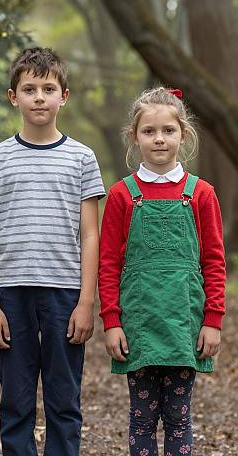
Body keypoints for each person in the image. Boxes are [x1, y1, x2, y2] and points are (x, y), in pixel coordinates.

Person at [0, 47, 105, 455]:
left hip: (64, 294)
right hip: (11, 294)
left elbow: (90, 236)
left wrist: (87, 302)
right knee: (15, 400)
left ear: (64, 95)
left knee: (64, 400)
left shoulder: (82, 158)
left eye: (49, 88)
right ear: (14, 97)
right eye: (29, 89)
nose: (39, 97)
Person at [99, 87, 226, 455]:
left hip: (184, 325)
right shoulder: (123, 195)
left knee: (178, 418)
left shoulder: (201, 194)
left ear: (182, 135)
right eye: (149, 131)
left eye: (168, 131)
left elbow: (214, 262)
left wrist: (213, 319)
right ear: (134, 137)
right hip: (139, 325)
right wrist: (112, 321)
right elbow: (108, 263)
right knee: (141, 419)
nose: (159, 139)